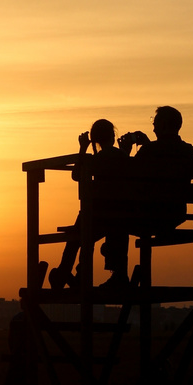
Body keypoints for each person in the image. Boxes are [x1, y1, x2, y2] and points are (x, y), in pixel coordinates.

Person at [48, 119, 129, 292]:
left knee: (77, 234)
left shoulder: (96, 159)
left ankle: (67, 273)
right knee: (84, 230)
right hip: (120, 216)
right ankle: (75, 274)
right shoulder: (124, 157)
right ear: (113, 137)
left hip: (97, 215)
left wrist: (83, 149)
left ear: (95, 140)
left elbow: (76, 175)